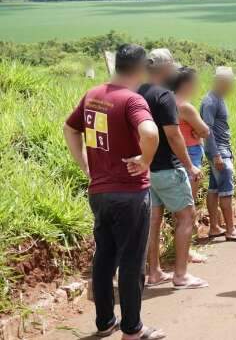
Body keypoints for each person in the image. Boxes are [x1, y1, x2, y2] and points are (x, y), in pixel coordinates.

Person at [63, 44, 166, 339]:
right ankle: (132, 329)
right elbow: (149, 132)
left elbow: (70, 129)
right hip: (130, 193)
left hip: (100, 192)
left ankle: (105, 322)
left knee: (105, 256)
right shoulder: (133, 101)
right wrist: (145, 160)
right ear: (141, 69)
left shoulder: (93, 95)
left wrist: (85, 166)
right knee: (132, 260)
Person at [139, 48, 208, 290]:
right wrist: (189, 166)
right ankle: (181, 275)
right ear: (166, 69)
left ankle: (154, 272)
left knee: (153, 221)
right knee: (186, 217)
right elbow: (174, 134)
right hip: (168, 168)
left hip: (146, 168)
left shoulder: (137, 93)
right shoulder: (164, 96)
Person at [200, 66, 236, 242]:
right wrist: (216, 155)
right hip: (219, 151)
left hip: (221, 149)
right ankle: (230, 230)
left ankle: (215, 227)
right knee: (226, 190)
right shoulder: (210, 101)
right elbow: (207, 131)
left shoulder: (218, 98)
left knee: (215, 188)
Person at [169, 66, 210, 264]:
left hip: (173, 156)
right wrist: (197, 131)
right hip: (190, 155)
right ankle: (187, 252)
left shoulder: (165, 101)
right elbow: (204, 131)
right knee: (188, 208)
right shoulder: (184, 106)